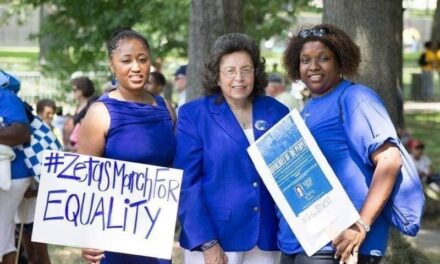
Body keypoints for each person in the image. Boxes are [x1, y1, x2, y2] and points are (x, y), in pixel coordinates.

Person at [280, 24, 403, 264]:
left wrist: (361, 225)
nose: (313, 66)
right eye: (305, 60)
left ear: (340, 61)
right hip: (303, 241)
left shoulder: (356, 98)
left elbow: (390, 159)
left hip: (340, 245)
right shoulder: (308, 108)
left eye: (323, 58)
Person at [173, 33, 289, 264]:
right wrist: (208, 243)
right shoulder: (194, 115)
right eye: (230, 70)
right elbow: (187, 184)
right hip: (215, 239)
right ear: (217, 76)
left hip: (265, 237)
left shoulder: (277, 112)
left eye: (246, 70)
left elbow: (293, 172)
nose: (239, 78)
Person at [79, 28, 175, 264]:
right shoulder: (99, 113)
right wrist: (86, 237)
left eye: (142, 60)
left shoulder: (166, 108)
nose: (136, 67)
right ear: (112, 65)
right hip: (114, 236)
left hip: (156, 232)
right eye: (126, 60)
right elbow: (84, 180)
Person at [0, 70, 32, 264]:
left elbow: (21, 132)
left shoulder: (7, 98)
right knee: (5, 232)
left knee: (2, 230)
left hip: (13, 175)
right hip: (7, 175)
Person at [63, 76, 97, 152]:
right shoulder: (79, 106)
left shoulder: (92, 104)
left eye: (75, 90)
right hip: (73, 146)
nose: (73, 92)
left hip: (84, 148)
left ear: (83, 89)